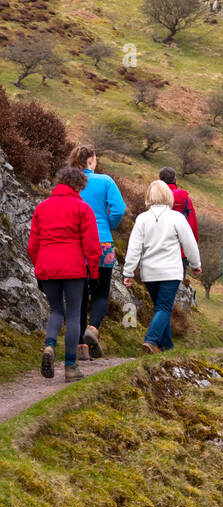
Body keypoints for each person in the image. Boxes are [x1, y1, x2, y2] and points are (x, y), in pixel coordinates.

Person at [28, 166, 101, 382]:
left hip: (47, 267)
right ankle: (70, 366)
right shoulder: (82, 208)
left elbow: (33, 245)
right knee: (74, 314)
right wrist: (94, 272)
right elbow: (92, 246)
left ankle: (49, 346)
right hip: (73, 268)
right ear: (79, 185)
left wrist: (39, 269)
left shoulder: (42, 207)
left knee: (56, 310)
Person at [123, 180, 201, 354]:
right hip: (171, 271)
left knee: (161, 307)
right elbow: (189, 244)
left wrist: (128, 271)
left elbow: (134, 247)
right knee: (164, 308)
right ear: (168, 196)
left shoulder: (142, 219)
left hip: (149, 273)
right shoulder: (176, 218)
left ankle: (166, 347)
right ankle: (151, 340)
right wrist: (196, 264)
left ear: (149, 197)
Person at [69, 142, 126, 360]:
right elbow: (119, 208)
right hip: (102, 242)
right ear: (91, 159)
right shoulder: (105, 181)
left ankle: (81, 347)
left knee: (80, 294)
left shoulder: (72, 183)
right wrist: (107, 224)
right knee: (101, 292)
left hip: (77, 243)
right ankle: (93, 328)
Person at [158, 167, 199, 275]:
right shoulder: (185, 200)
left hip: (158, 249)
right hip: (180, 252)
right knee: (178, 286)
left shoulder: (155, 198)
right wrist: (193, 254)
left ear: (160, 181)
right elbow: (192, 226)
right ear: (175, 180)